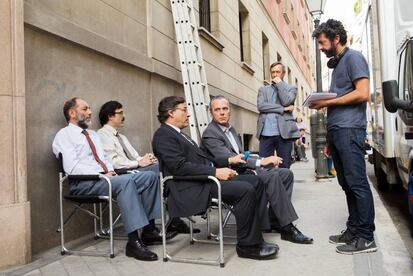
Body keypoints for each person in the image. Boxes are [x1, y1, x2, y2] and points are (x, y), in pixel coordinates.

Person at [152, 96, 279, 260]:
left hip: (202, 179)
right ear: (171, 113)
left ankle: (257, 233)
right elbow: (180, 167)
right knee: (245, 190)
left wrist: (226, 163)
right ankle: (248, 247)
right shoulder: (163, 135)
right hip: (189, 186)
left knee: (255, 181)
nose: (188, 114)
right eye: (184, 110)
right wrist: (215, 173)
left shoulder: (179, 134)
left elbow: (203, 158)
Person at [52, 97, 177, 262]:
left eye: (89, 108)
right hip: (83, 183)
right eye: (85, 109)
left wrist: (110, 171)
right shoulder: (64, 135)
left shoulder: (91, 134)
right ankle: (133, 242)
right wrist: (103, 174)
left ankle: (149, 229)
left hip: (104, 179)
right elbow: (72, 168)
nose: (90, 112)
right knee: (126, 182)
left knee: (150, 176)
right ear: (72, 113)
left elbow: (104, 158)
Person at [201, 95, 313, 244]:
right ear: (211, 113)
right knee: (271, 176)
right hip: (230, 176)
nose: (222, 112)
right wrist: (262, 161)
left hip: (243, 170)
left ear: (230, 111)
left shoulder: (231, 129)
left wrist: (260, 160)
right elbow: (230, 158)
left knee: (286, 174)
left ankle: (275, 220)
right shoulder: (210, 133)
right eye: (217, 110)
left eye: (225, 109)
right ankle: (287, 227)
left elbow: (242, 154)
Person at [311, 19, 376, 254]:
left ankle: (366, 237)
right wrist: (329, 140)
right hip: (338, 133)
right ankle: (354, 229)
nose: (320, 47)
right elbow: (337, 105)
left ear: (336, 38)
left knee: (357, 183)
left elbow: (362, 93)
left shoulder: (354, 57)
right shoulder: (338, 65)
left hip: (350, 130)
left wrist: (327, 101)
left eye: (322, 42)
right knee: (347, 184)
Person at [97, 100, 200, 234]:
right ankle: (168, 220)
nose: (124, 116)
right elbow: (113, 162)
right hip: (120, 173)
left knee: (161, 166)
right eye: (120, 113)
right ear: (110, 116)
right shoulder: (102, 135)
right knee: (163, 169)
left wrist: (146, 159)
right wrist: (138, 163)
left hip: (133, 169)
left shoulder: (121, 136)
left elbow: (134, 156)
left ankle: (173, 218)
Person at [256, 62, 299, 168]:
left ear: (283, 74)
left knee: (285, 166)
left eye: (277, 72)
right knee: (264, 167)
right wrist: (282, 109)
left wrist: (280, 84)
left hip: (284, 133)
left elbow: (286, 101)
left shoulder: (291, 89)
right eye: (273, 72)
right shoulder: (263, 89)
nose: (275, 75)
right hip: (266, 133)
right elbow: (261, 106)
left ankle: (283, 185)